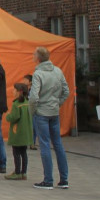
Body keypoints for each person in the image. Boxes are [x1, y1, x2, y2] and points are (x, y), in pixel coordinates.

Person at [29, 46, 70, 190]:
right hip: (53, 111)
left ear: (39, 58)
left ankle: (48, 180)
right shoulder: (57, 71)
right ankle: (64, 179)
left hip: (42, 112)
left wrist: (33, 110)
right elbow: (66, 90)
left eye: (34, 54)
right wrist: (57, 103)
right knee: (58, 144)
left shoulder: (38, 74)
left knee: (45, 144)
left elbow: (34, 96)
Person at [5, 82, 33, 181]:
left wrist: (8, 116)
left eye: (14, 90)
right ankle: (23, 172)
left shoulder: (17, 104)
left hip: (18, 132)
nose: (13, 91)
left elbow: (15, 117)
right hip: (26, 132)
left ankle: (17, 172)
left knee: (16, 152)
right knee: (24, 153)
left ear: (19, 92)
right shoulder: (27, 102)